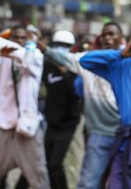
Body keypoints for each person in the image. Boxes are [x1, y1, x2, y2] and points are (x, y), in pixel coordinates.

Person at [37, 22, 123, 189]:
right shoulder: (86, 63)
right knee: (88, 182)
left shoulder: (126, 64)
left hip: (125, 133)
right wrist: (45, 49)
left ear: (120, 39)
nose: (107, 38)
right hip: (99, 133)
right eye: (104, 35)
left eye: (112, 34)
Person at [0, 25, 50, 189]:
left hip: (27, 130)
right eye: (16, 37)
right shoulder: (4, 61)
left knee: (39, 180)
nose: (19, 41)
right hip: (3, 130)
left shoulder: (36, 57)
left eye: (24, 38)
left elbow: (25, 58)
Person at [79, 40, 131, 189]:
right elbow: (85, 61)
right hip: (124, 137)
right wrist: (119, 54)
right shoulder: (120, 64)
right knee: (116, 182)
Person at [42, 30, 81, 189]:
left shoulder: (76, 68)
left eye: (65, 46)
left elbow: (75, 93)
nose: (61, 49)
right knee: (47, 164)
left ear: (72, 48)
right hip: (51, 122)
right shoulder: (47, 65)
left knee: (56, 164)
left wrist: (65, 74)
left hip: (67, 124)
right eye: (58, 45)